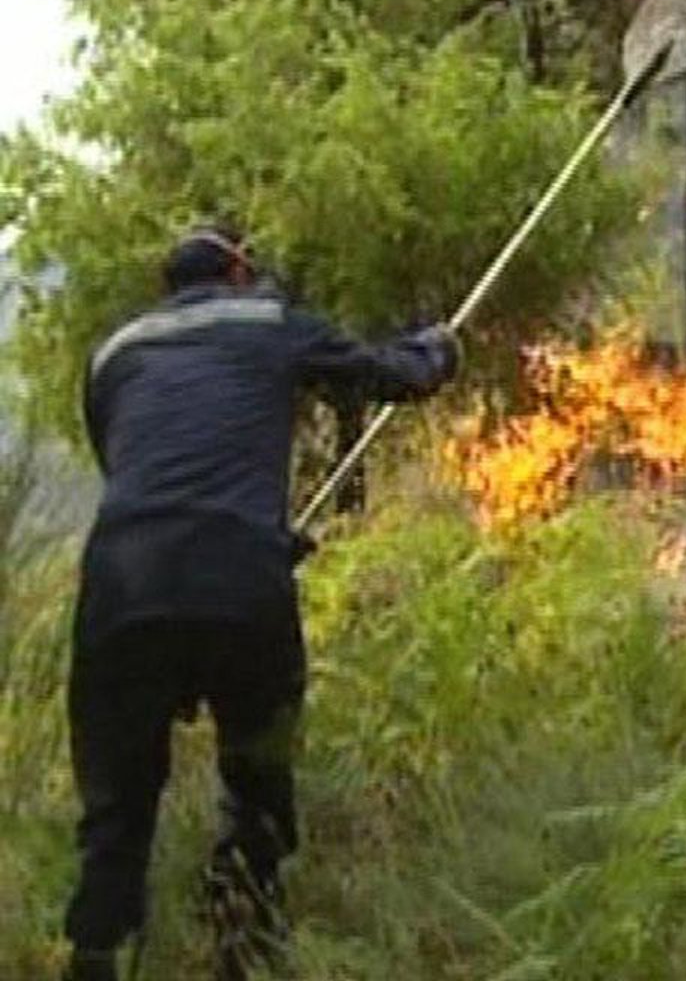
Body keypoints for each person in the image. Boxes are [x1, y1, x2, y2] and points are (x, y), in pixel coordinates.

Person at [63, 228, 460, 981]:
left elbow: (140, 469)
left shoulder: (113, 354)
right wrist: (439, 349)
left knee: (115, 809)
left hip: (120, 588)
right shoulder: (270, 320)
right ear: (240, 270)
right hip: (241, 590)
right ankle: (242, 949)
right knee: (256, 784)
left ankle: (95, 954)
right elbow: (391, 374)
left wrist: (258, 535)